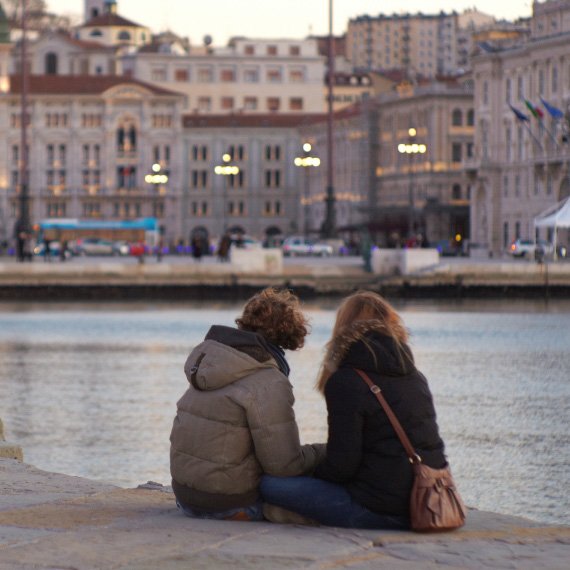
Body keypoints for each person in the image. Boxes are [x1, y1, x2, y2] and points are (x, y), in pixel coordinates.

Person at [261, 290, 447, 529]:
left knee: (270, 485)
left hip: (381, 510)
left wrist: (311, 473)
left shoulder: (347, 381)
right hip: (426, 502)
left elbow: (342, 467)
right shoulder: (414, 375)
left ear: (344, 326)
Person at [170, 287, 325, 522]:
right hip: (226, 502)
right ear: (289, 335)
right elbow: (284, 465)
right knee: (310, 481)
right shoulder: (268, 380)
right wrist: (327, 451)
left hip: (185, 496)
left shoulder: (212, 363)